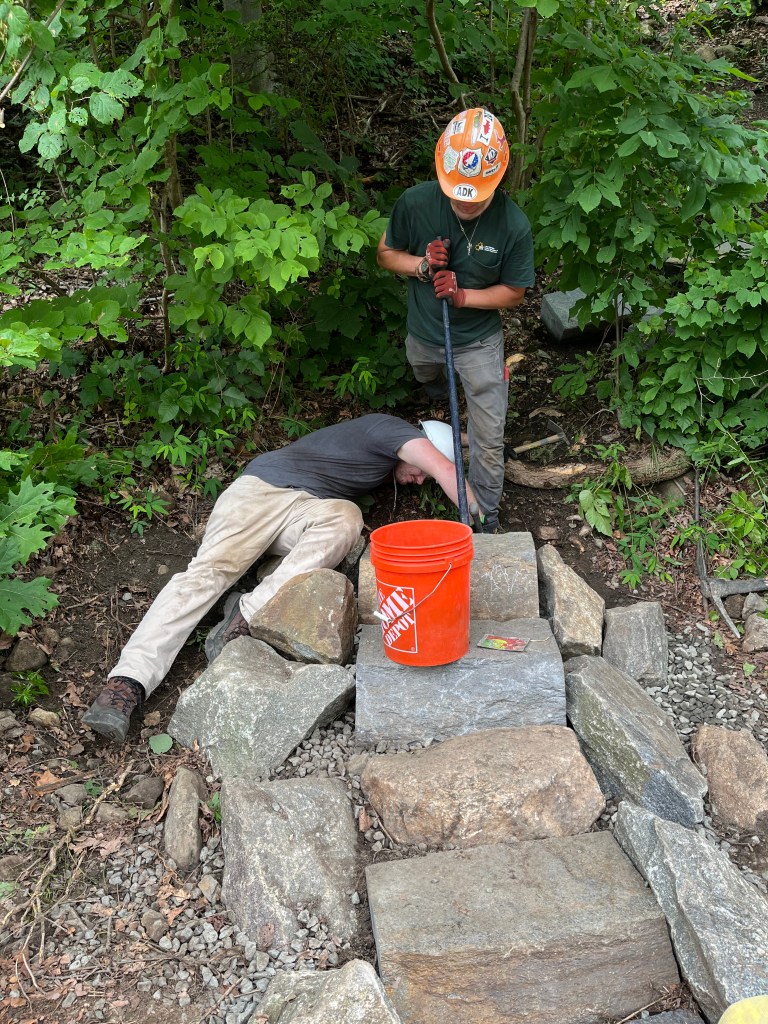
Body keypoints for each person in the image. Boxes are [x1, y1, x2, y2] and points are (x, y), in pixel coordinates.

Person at [82, 414, 480, 742]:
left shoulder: (395, 441)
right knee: (207, 575)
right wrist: (482, 521)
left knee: (346, 518)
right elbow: (443, 466)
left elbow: (444, 449)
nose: (422, 479)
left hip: (307, 508)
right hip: (261, 493)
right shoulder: (391, 430)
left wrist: (476, 437)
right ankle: (126, 684)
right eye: (421, 469)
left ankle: (247, 613)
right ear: (420, 446)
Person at [377, 107, 535, 534]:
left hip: (479, 343)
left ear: (497, 179)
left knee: (488, 433)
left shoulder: (513, 225)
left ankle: (485, 514)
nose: (465, 201)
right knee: (424, 371)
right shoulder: (415, 203)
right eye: (457, 192)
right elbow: (386, 254)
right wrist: (423, 266)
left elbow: (515, 292)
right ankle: (439, 396)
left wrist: (464, 296)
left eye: (476, 195)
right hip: (425, 334)